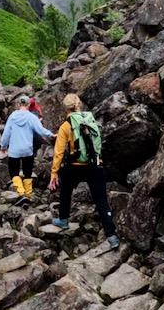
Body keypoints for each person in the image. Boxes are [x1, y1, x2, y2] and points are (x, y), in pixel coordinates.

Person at [49, 93, 120, 249]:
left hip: (75, 165)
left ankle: (63, 219)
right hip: (95, 165)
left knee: (65, 188)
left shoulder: (66, 126)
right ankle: (112, 236)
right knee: (101, 201)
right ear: (79, 104)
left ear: (65, 108)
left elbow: (59, 152)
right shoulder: (90, 120)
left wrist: (54, 173)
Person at [1, 95, 52, 203]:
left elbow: (6, 133)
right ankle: (28, 194)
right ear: (29, 104)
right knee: (27, 172)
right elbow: (41, 130)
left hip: (14, 150)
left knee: (14, 172)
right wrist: (52, 134)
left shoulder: (12, 116)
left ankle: (21, 192)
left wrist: (3, 146)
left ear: (18, 104)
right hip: (27, 150)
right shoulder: (32, 117)